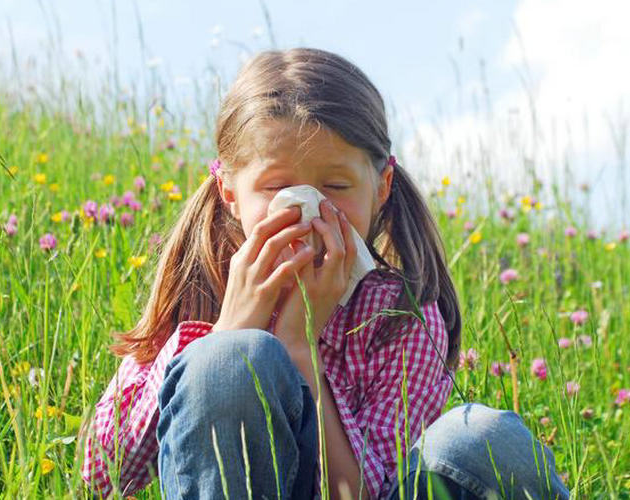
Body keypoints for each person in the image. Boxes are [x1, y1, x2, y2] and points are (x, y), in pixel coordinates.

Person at [77, 47, 570, 500]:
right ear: (229, 189)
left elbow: (361, 492)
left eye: (335, 185)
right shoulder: (202, 289)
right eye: (277, 187)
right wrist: (229, 330)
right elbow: (103, 471)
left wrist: (300, 347)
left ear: (381, 186)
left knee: (481, 439)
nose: (310, 209)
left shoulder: (400, 318)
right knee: (231, 360)